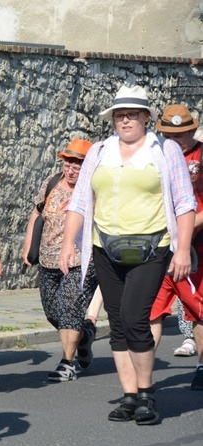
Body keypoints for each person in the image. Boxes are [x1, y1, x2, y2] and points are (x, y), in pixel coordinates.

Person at [59, 85, 195, 425]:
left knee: (136, 318)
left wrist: (182, 250)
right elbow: (79, 201)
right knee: (117, 322)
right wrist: (67, 244)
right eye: (120, 115)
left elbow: (184, 203)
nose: (126, 120)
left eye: (133, 114)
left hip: (152, 246)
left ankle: (147, 394)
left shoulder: (164, 151)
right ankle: (129, 394)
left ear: (147, 118)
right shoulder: (100, 151)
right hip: (106, 246)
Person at [23, 138, 99, 381]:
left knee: (69, 308)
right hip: (47, 259)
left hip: (80, 260)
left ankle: (67, 363)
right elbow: (37, 212)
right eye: (68, 164)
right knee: (52, 313)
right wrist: (28, 247)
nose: (71, 170)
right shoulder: (52, 182)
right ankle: (84, 336)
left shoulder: (94, 188)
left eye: (78, 165)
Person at [148, 104, 203, 390]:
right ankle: (143, 372)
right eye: (170, 133)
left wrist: (184, 227)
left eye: (182, 133)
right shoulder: (157, 157)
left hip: (196, 250)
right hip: (160, 248)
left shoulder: (202, 156)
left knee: (198, 310)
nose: (176, 138)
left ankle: (202, 367)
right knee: (152, 311)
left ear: (193, 129)